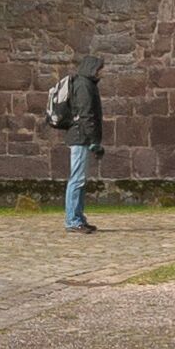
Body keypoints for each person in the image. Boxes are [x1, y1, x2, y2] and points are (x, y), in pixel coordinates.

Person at [51, 51, 104, 231]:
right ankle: (73, 220)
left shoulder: (85, 84)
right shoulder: (83, 85)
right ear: (92, 69)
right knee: (77, 179)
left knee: (79, 179)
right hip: (80, 137)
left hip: (81, 136)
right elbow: (86, 115)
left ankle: (78, 217)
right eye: (99, 69)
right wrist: (94, 141)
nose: (101, 72)